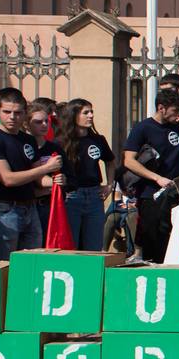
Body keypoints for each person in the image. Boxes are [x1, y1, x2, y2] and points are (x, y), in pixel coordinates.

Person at [0, 87, 61, 263]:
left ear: (24, 114)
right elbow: (8, 179)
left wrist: (57, 181)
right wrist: (46, 168)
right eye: (7, 112)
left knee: (31, 263)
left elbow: (38, 178)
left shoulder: (28, 140)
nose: (12, 117)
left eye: (17, 113)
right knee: (6, 264)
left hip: (30, 206)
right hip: (3, 209)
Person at [121, 89, 179, 263]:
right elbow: (129, 161)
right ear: (161, 108)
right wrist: (156, 178)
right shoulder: (143, 128)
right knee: (151, 234)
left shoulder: (176, 127)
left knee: (168, 233)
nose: (178, 115)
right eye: (174, 111)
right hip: (150, 191)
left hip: (172, 190)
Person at [57, 99, 113, 251]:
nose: (90, 116)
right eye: (85, 112)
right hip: (71, 196)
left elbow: (110, 161)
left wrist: (109, 185)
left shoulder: (98, 139)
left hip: (95, 195)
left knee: (94, 246)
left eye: (91, 112)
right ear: (74, 115)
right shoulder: (61, 141)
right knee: (71, 244)